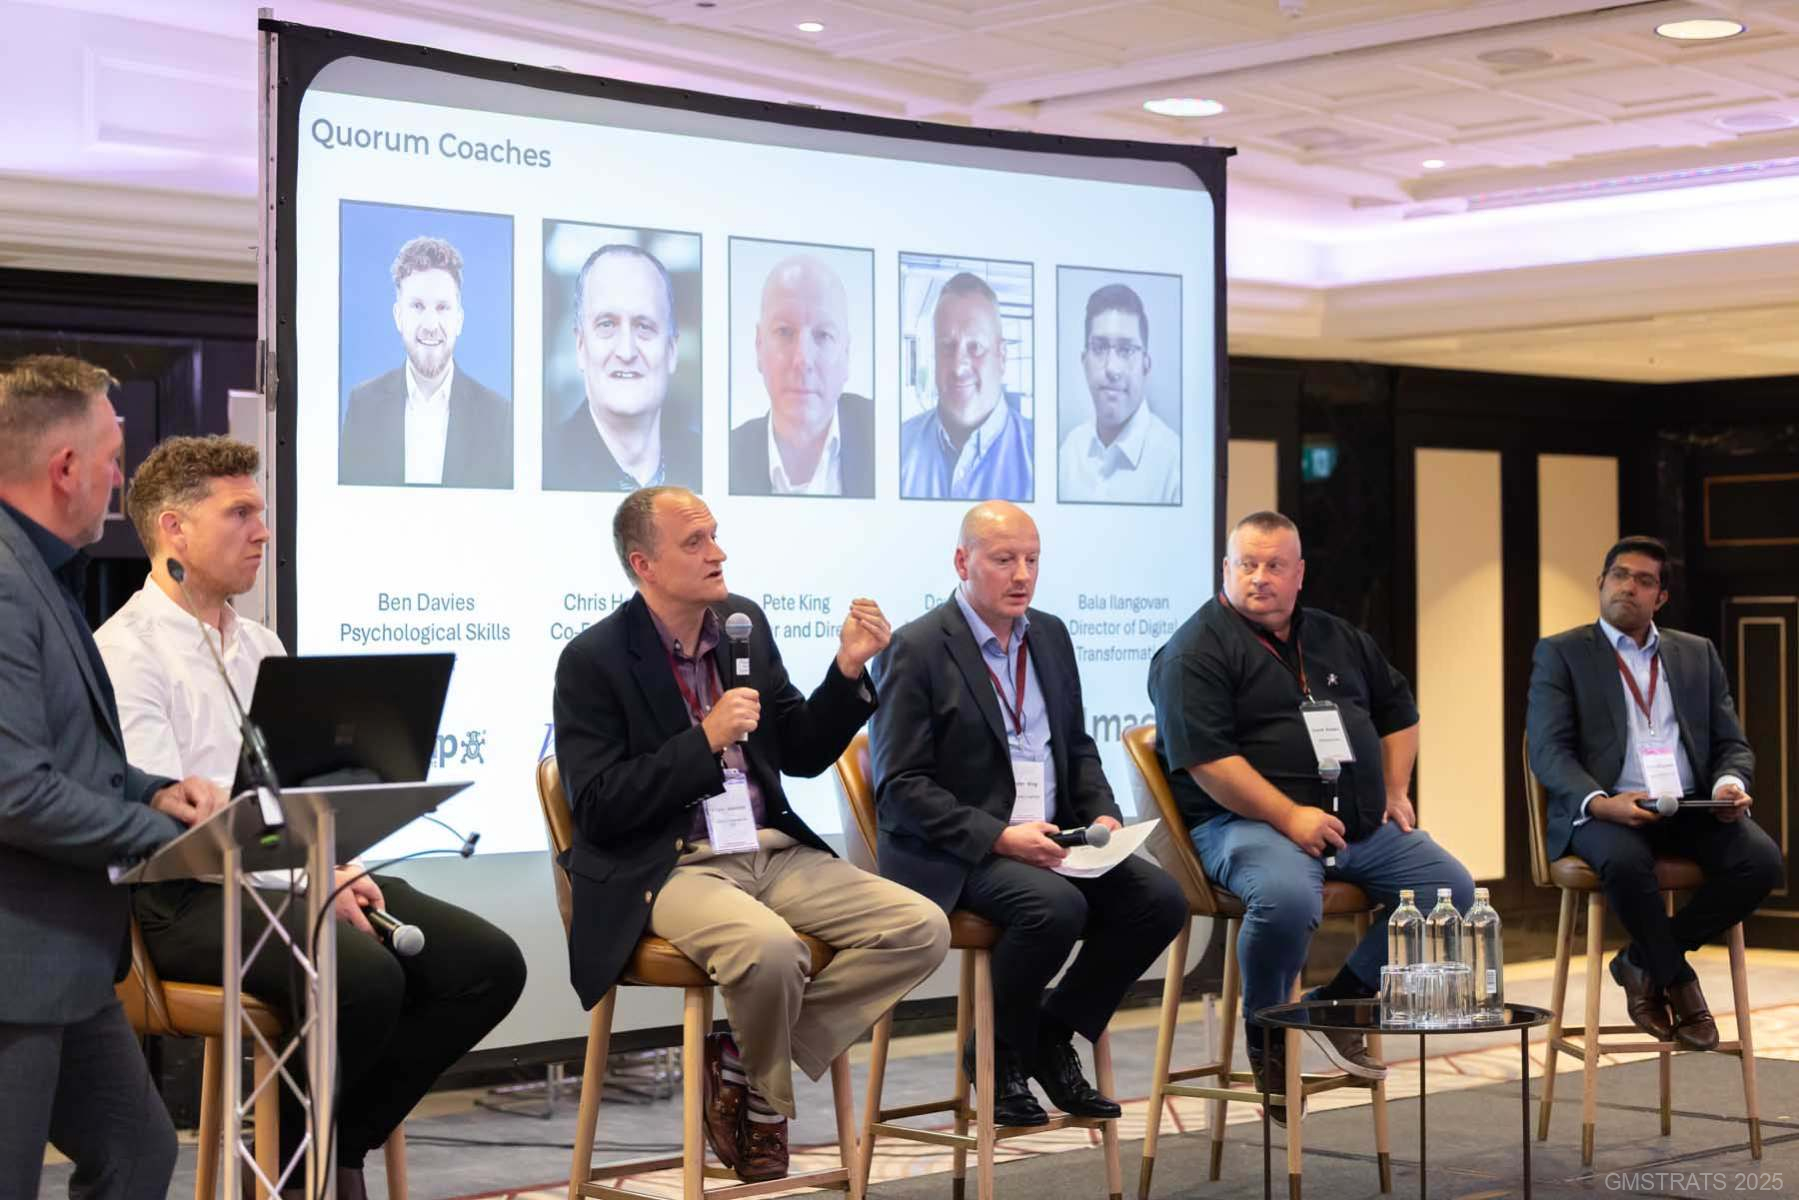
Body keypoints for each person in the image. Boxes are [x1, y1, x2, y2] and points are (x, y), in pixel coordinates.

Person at [95, 435, 527, 1200]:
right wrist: (309, 873)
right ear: (173, 529)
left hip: (289, 871)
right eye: (240, 514)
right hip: (181, 900)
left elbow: (290, 791)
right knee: (362, 975)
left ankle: (328, 1145)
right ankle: (299, 1173)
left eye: (261, 513)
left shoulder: (259, 643)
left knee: (485, 964)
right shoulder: (126, 652)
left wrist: (335, 864)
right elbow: (174, 827)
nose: (262, 532)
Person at [552, 486, 948, 1182]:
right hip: (671, 864)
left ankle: (743, 1062)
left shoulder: (743, 625)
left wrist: (847, 670)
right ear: (644, 564)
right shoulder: (595, 659)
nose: (719, 553)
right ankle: (766, 1108)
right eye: (695, 542)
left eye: (715, 535)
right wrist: (702, 741)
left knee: (920, 927)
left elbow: (798, 750)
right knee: (770, 951)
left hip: (769, 850)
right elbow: (600, 806)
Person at [1146, 510, 1475, 1122]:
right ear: (1225, 569)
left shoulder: (1336, 637)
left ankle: (1340, 1005)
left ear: (1299, 574)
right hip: (1244, 824)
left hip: (1355, 825)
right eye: (1247, 564)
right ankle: (1270, 1034)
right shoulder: (1194, 650)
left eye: (1274, 565)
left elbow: (1399, 710)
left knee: (1448, 891)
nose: (1260, 577)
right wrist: (1290, 817)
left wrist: (1395, 788)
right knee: (1287, 899)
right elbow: (1208, 762)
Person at [869, 501, 1187, 1125]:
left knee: (1160, 901)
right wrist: (1001, 838)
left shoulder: (1050, 634)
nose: (1022, 575)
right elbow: (901, 788)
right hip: (957, 849)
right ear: (962, 562)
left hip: (1053, 834)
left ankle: (1049, 1031)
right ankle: (996, 1053)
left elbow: (1076, 746)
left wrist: (1103, 814)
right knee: (1054, 907)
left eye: (1032, 560)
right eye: (1004, 560)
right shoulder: (917, 648)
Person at [0, 355, 224, 1200]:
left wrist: (153, 791)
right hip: (15, 964)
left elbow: (70, 756)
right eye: (111, 459)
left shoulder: (39, 572)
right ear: (65, 468)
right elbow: (15, 791)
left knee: (137, 1152)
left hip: (64, 960)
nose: (119, 480)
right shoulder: (5, 583)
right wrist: (170, 833)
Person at [1526, 535, 1782, 1051]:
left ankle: (1641, 961)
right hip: (1607, 808)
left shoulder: (1696, 654)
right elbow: (1549, 751)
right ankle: (1680, 983)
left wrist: (1729, 786)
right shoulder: (1562, 653)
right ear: (1601, 583)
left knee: (1762, 862)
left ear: (1660, 598)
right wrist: (1601, 803)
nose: (1629, 587)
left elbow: (1731, 743)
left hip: (1689, 804)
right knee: (1624, 863)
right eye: (1620, 575)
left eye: (1644, 581)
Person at [339, 235, 514, 489]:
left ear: (459, 320)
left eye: (442, 307)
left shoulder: (499, 417)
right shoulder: (363, 406)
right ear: (398, 316)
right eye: (418, 306)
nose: (431, 325)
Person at [544, 244, 700, 492]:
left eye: (644, 326)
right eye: (607, 324)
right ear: (581, 346)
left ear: (672, 350)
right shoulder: (540, 466)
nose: (626, 352)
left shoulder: (708, 465)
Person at [730, 255, 873, 498]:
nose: (803, 359)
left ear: (847, 353)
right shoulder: (725, 454)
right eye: (784, 332)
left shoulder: (891, 439)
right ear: (759, 345)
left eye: (823, 335)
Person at [898, 272, 1032, 501]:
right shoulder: (897, 447)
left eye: (975, 347)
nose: (959, 368)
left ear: (1002, 356)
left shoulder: (1043, 457)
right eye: (947, 347)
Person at [1057, 283, 1179, 505]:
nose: (1112, 367)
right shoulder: (1069, 451)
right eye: (1099, 348)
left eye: (1126, 350)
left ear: (1146, 364)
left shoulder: (1175, 463)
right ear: (1084, 361)